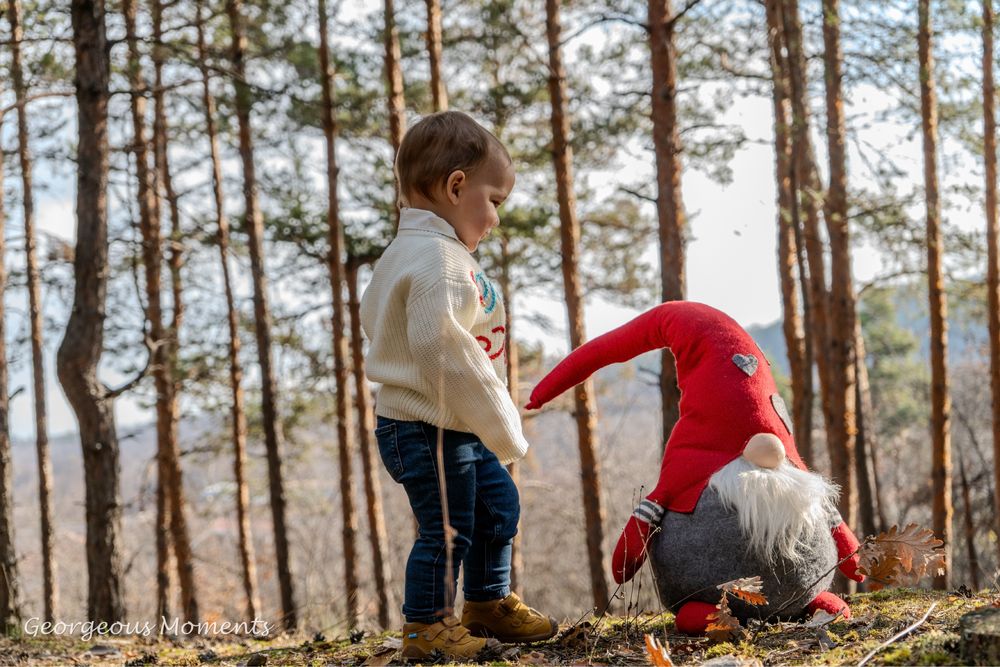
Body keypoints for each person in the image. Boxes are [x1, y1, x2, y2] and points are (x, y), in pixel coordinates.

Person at [360, 111, 558, 660]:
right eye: (495, 201)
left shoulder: (427, 257)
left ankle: (487, 602)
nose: (496, 219)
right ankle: (425, 628)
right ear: (455, 186)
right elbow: (444, 352)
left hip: (452, 421)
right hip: (426, 425)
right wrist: (503, 424)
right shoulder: (435, 262)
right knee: (447, 531)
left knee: (498, 509)